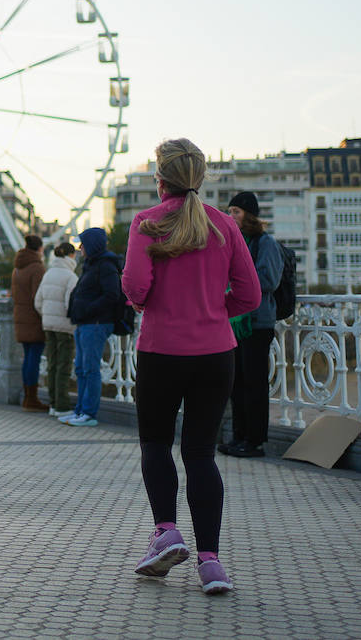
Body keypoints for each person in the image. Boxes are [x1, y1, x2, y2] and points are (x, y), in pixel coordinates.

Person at [122, 138, 259, 595]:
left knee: (156, 444)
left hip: (162, 352)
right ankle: (211, 564)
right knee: (201, 453)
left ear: (159, 178)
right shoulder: (223, 224)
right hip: (216, 354)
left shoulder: (147, 223)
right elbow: (251, 295)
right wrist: (215, 309)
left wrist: (148, 299)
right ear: (199, 177)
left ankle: (165, 532)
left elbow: (136, 288)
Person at [217, 191, 284, 458]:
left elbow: (269, 280)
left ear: (249, 215)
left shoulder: (265, 243)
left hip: (258, 321)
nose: (231, 216)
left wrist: (238, 279)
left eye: (237, 211)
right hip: (235, 322)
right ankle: (239, 437)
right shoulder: (233, 242)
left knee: (255, 383)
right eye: (230, 211)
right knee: (237, 382)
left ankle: (255, 441)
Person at [65, 227, 123, 426]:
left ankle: (89, 413)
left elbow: (112, 295)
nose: (80, 248)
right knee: (81, 368)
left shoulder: (106, 265)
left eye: (83, 243)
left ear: (92, 244)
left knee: (90, 369)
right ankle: (80, 410)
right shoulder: (90, 264)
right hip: (83, 323)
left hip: (96, 324)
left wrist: (89, 309)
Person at [34, 241, 78, 419]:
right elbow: (71, 304)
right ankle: (62, 406)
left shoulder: (48, 273)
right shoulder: (71, 277)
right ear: (71, 256)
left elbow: (38, 301)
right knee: (63, 366)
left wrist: (47, 316)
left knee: (52, 364)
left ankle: (52, 403)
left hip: (48, 325)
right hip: (65, 327)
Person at [9, 234, 46, 411]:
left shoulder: (17, 268)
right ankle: (31, 399)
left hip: (20, 317)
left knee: (28, 358)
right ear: (39, 249)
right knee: (34, 359)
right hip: (33, 319)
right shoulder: (37, 268)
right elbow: (38, 297)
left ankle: (27, 397)